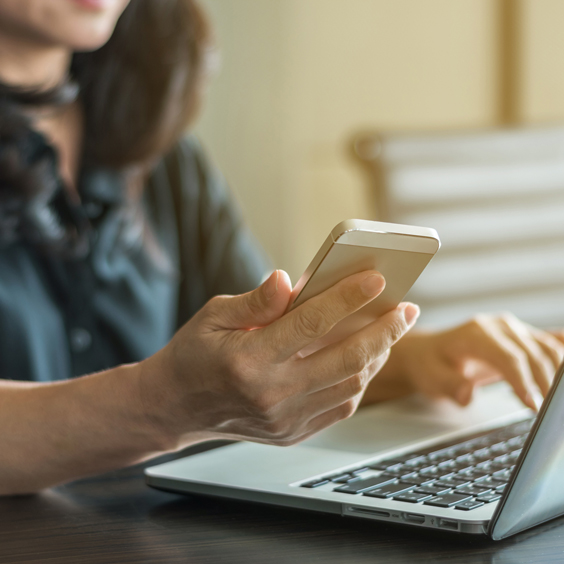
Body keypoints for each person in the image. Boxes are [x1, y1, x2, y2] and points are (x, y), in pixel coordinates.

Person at [0, 0, 561, 496]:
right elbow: (184, 395)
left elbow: (257, 361)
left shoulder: (161, 154)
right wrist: (155, 406)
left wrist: (415, 361)